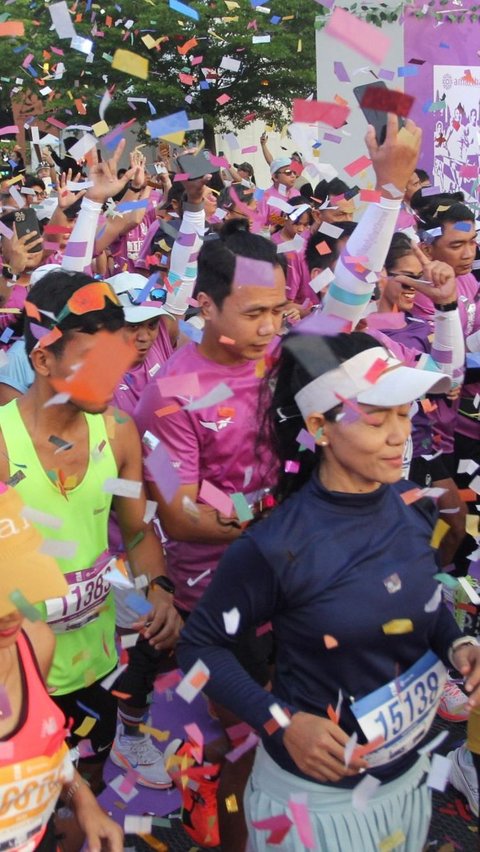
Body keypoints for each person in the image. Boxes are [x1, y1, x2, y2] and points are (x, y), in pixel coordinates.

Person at [177, 329, 480, 852]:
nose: (397, 435)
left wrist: (457, 646)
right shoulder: (277, 544)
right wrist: (281, 722)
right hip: (316, 806)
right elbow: (198, 649)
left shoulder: (415, 507)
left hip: (408, 784)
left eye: (405, 414)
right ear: (320, 426)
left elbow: (422, 601)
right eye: (376, 417)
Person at [0, 268, 181, 794]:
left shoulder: (119, 432)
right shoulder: (4, 445)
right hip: (18, 677)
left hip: (99, 661)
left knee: (91, 783)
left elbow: (138, 529)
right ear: (42, 360)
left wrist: (160, 589)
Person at [0, 482, 123, 852]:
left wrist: (83, 802)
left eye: (19, 581)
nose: (11, 611)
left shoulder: (35, 641)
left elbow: (45, 745)